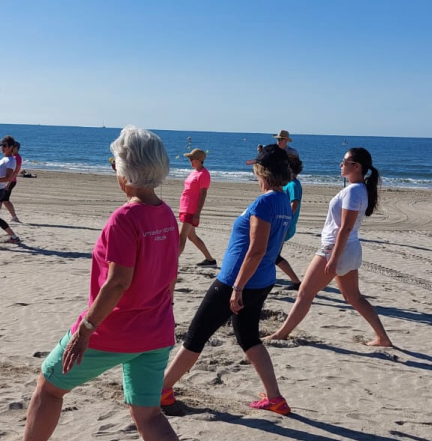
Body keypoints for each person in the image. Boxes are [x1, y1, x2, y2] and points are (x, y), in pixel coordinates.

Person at [0, 126, 197, 441]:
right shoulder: (163, 214)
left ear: (125, 171)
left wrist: (85, 329)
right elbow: (168, 270)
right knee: (148, 415)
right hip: (156, 330)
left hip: (113, 329)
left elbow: (118, 282)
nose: (113, 167)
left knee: (49, 386)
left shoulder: (125, 218)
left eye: (114, 161)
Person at [161, 144, 293, 415]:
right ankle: (275, 399)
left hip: (237, 282)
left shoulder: (265, 202)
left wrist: (238, 287)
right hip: (263, 279)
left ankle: (161, 391)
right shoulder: (282, 200)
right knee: (249, 338)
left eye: (256, 169)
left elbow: (256, 250)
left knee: (196, 335)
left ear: (263, 171)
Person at [265, 148, 393, 347]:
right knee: (353, 297)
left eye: (345, 161)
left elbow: (345, 228)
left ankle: (280, 334)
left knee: (305, 293)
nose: (341, 164)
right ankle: (382, 338)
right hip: (349, 248)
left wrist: (333, 259)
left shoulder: (353, 191)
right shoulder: (358, 189)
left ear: (356, 166)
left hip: (335, 248)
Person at [178, 148, 217, 267]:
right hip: (185, 207)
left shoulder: (204, 174)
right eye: (189, 159)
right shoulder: (194, 172)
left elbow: (203, 194)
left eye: (192, 159)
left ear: (199, 160)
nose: (190, 161)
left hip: (191, 209)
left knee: (182, 236)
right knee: (192, 237)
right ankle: (210, 260)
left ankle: (172, 261)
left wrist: (197, 213)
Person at [275, 154, 303, 290]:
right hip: (283, 225)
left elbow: (294, 204)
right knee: (273, 255)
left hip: (285, 226)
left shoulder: (292, 184)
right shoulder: (291, 183)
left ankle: (296, 282)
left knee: (274, 255)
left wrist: (285, 221)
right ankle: (295, 281)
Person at [1, 141, 22, 223]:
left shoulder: (17, 158)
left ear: (16, 148)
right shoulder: (13, 157)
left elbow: (15, 172)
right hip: (8, 181)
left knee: (5, 200)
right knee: (0, 199)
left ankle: (14, 217)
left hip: (11, 181)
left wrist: (8, 183)